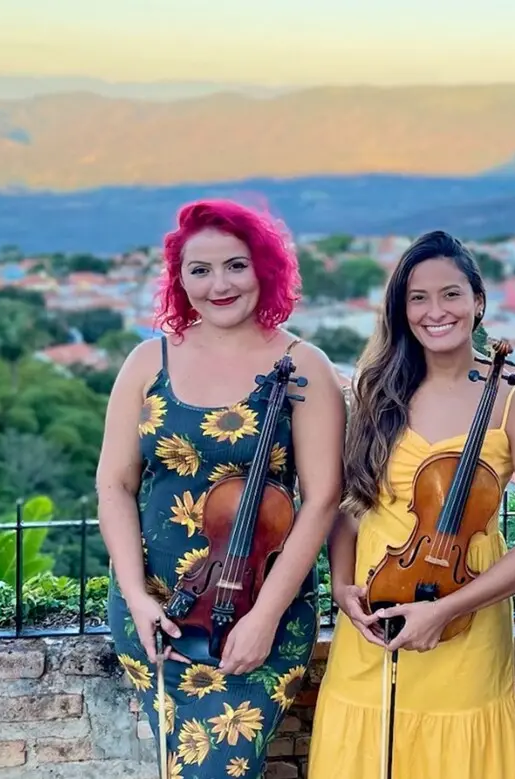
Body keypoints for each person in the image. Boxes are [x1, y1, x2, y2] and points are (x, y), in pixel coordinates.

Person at [97, 199, 346, 779]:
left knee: (217, 769)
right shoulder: (146, 361)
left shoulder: (304, 363)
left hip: (259, 611)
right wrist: (135, 598)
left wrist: (265, 615)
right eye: (199, 270)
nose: (219, 284)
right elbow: (113, 483)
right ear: (180, 279)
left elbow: (323, 499)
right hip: (154, 608)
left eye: (235, 265)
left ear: (264, 268)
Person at [307, 229, 515, 779]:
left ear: (478, 301)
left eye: (450, 294)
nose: (435, 311)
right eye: (417, 298)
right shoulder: (376, 389)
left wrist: (444, 611)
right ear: (401, 311)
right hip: (373, 613)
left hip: (466, 620)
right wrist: (339, 587)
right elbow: (345, 504)